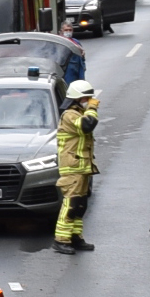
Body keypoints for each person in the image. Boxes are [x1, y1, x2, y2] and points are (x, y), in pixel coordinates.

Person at [53, 79, 100, 254]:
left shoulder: (78, 113)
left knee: (80, 205)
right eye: (87, 98)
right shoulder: (70, 115)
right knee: (71, 204)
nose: (89, 101)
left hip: (82, 166)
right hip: (72, 167)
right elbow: (88, 126)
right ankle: (61, 240)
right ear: (78, 99)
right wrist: (93, 108)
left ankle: (75, 237)